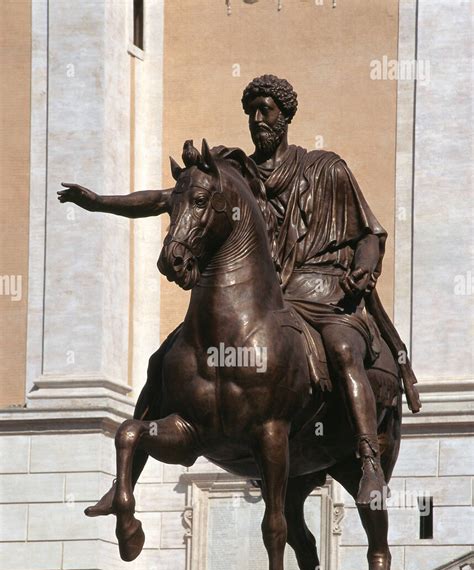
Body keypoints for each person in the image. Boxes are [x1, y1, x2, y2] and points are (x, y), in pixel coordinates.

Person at [58, 74, 419, 511]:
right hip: (262, 300)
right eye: (251, 111)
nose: (257, 119)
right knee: (163, 359)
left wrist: (363, 269)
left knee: (342, 348)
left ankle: (368, 462)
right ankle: (123, 489)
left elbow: (369, 234)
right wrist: (100, 203)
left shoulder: (326, 168)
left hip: (319, 291)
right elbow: (167, 198)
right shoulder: (233, 176)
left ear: (285, 116)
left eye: (266, 110)